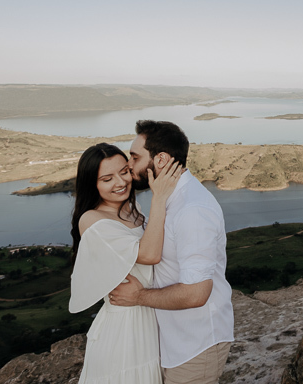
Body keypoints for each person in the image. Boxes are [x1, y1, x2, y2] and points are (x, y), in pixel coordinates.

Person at [109, 120, 234, 384]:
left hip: (196, 346)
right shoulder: (167, 199)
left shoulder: (192, 210)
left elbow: (197, 293)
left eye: (134, 156)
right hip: (176, 342)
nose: (128, 165)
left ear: (162, 159)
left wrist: (138, 296)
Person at [68, 142, 184, 384]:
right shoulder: (92, 220)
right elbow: (149, 255)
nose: (120, 183)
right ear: (93, 184)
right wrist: (160, 197)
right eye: (107, 179)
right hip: (123, 328)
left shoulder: (132, 210)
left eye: (123, 172)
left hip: (147, 318)